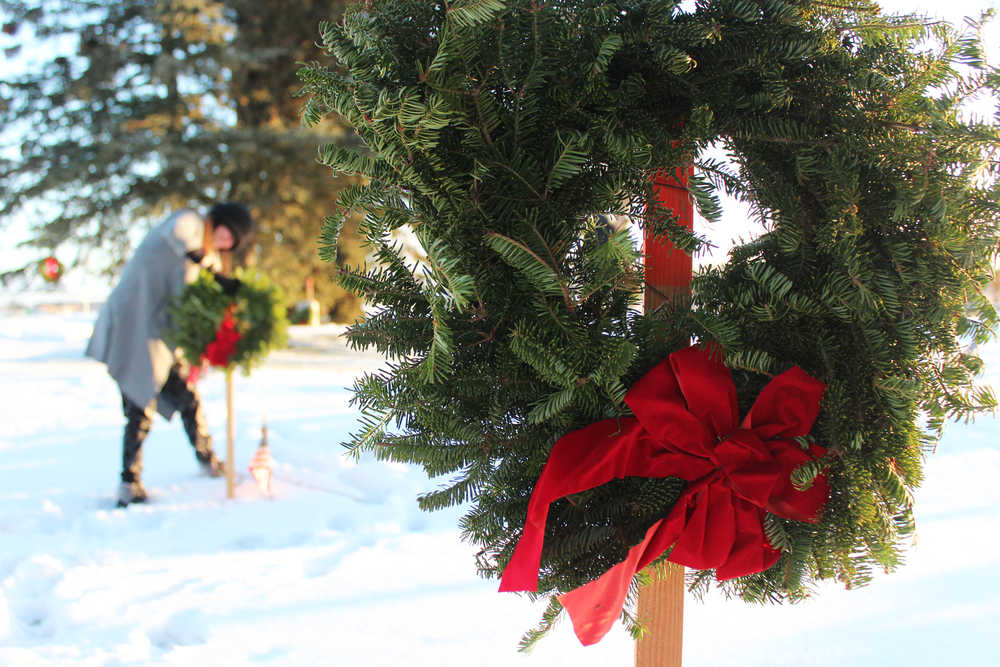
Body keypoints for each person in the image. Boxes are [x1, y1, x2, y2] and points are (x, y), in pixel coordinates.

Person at [86, 202, 255, 507]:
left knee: (188, 397)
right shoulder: (189, 223)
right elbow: (179, 238)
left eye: (233, 243)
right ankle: (129, 482)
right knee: (139, 403)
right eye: (230, 233)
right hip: (133, 325)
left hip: (161, 338)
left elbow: (198, 294)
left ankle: (208, 459)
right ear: (220, 222)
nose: (227, 243)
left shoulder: (209, 257)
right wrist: (208, 267)